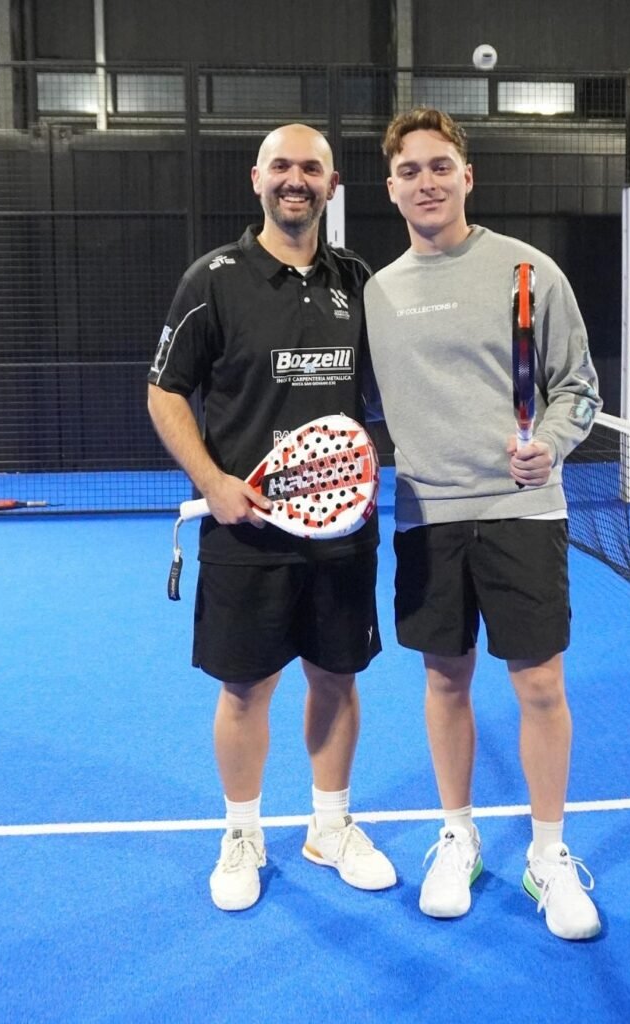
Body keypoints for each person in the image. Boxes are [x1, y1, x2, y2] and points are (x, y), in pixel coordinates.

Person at [364, 108, 602, 939]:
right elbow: (367, 407)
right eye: (409, 170)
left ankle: (547, 853)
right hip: (426, 518)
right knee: (444, 680)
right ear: (390, 188)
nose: (425, 182)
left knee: (539, 685)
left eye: (440, 166)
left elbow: (578, 387)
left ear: (466, 177)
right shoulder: (377, 294)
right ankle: (457, 836)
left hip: (521, 512)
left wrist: (553, 446)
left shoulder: (528, 271)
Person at [147, 123, 396, 912]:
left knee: (337, 677)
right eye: (281, 166)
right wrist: (213, 480)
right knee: (245, 688)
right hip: (245, 532)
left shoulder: (359, 281)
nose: (296, 179)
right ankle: (242, 833)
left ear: (332, 185)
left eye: (311, 168)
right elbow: (164, 390)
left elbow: (397, 386)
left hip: (342, 532)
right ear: (256, 179)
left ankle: (330, 826)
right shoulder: (213, 279)